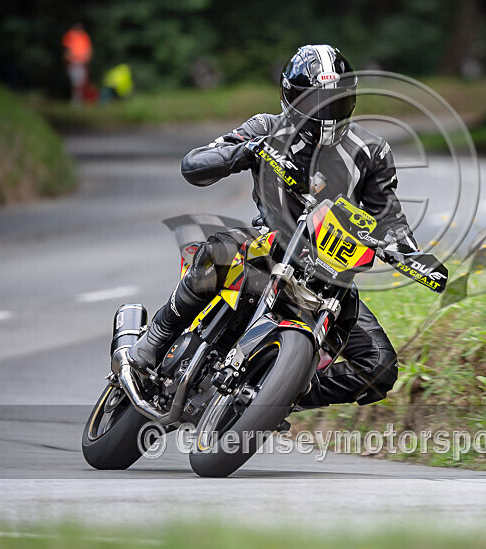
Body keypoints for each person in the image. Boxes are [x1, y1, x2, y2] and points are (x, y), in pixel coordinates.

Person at [127, 45, 417, 408]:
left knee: (380, 366)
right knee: (218, 251)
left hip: (329, 280)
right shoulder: (266, 127)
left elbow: (390, 218)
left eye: (335, 101)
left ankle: (283, 392)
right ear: (291, 97)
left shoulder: (372, 152)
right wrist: (246, 151)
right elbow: (194, 165)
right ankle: (156, 337)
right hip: (266, 246)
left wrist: (409, 254)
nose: (325, 113)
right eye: (315, 102)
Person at [62, 23, 93, 105]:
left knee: (80, 82)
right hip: (73, 62)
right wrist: (67, 61)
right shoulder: (70, 35)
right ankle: (75, 100)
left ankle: (78, 100)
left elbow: (88, 49)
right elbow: (66, 50)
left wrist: (87, 60)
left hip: (82, 63)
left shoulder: (84, 36)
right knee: (74, 82)